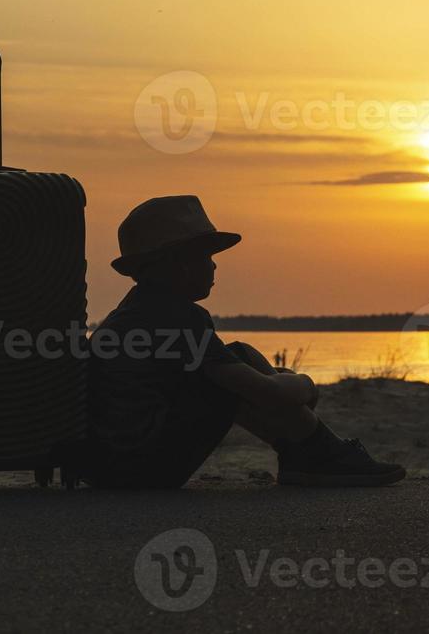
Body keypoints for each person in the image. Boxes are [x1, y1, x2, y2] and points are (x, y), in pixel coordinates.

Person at [84, 195, 404, 489]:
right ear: (178, 262)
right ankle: (322, 452)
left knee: (231, 367)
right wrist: (306, 385)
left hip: (105, 469)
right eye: (206, 255)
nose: (214, 264)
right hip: (143, 471)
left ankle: (304, 452)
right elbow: (269, 393)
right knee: (239, 361)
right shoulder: (179, 318)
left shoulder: (131, 313)